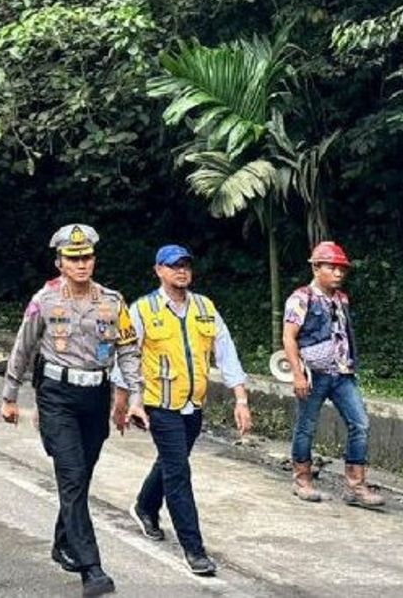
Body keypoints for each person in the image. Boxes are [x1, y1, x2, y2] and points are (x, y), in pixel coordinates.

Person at [2, 224, 146, 597]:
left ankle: (62, 541)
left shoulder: (113, 302)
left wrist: (134, 398)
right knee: (72, 473)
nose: (81, 264)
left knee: (79, 478)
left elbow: (128, 350)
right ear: (60, 262)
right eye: (73, 258)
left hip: (94, 397)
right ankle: (91, 568)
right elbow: (23, 345)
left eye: (86, 257)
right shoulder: (45, 300)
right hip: (56, 395)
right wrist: (9, 395)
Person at [125, 245, 253, 576]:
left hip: (193, 405)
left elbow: (226, 354)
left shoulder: (205, 308)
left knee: (171, 463)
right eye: (174, 266)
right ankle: (193, 549)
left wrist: (240, 398)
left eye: (186, 265)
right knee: (179, 473)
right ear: (159, 271)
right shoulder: (143, 309)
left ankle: (144, 506)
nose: (181, 271)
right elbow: (126, 357)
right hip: (159, 404)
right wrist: (129, 401)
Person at [285, 241, 385, 508]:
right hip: (314, 373)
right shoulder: (301, 298)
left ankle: (355, 487)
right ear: (316, 268)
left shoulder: (341, 299)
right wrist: (297, 375)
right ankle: (302, 481)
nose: (339, 273)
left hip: (342, 373)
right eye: (332, 267)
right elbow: (289, 337)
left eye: (342, 268)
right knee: (306, 427)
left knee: (360, 423)